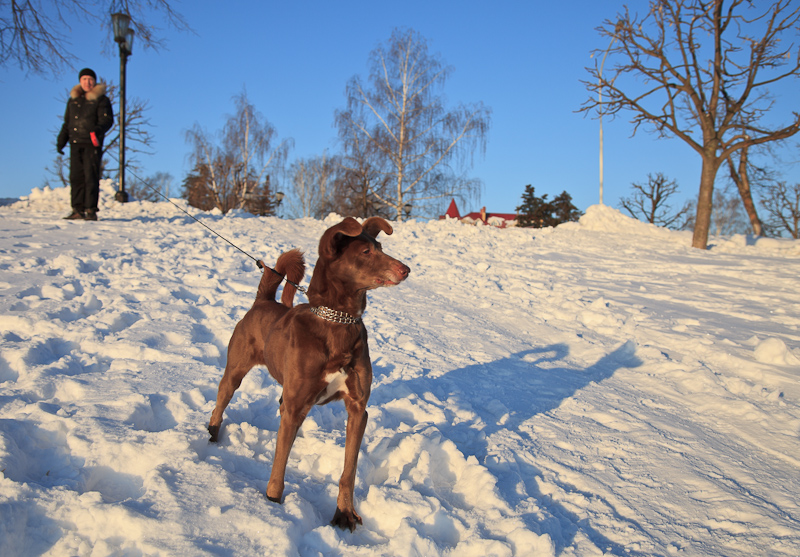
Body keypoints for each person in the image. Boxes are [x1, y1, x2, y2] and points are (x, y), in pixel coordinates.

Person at [56, 68, 114, 221]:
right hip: (75, 142)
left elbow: (107, 121)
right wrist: (61, 141)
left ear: (94, 81)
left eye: (90, 79)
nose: (87, 82)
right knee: (76, 177)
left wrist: (97, 130)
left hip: (92, 144)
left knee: (90, 176)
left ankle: (90, 210)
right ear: (80, 81)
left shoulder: (101, 100)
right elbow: (67, 123)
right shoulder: (73, 100)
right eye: (84, 79)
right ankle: (77, 209)